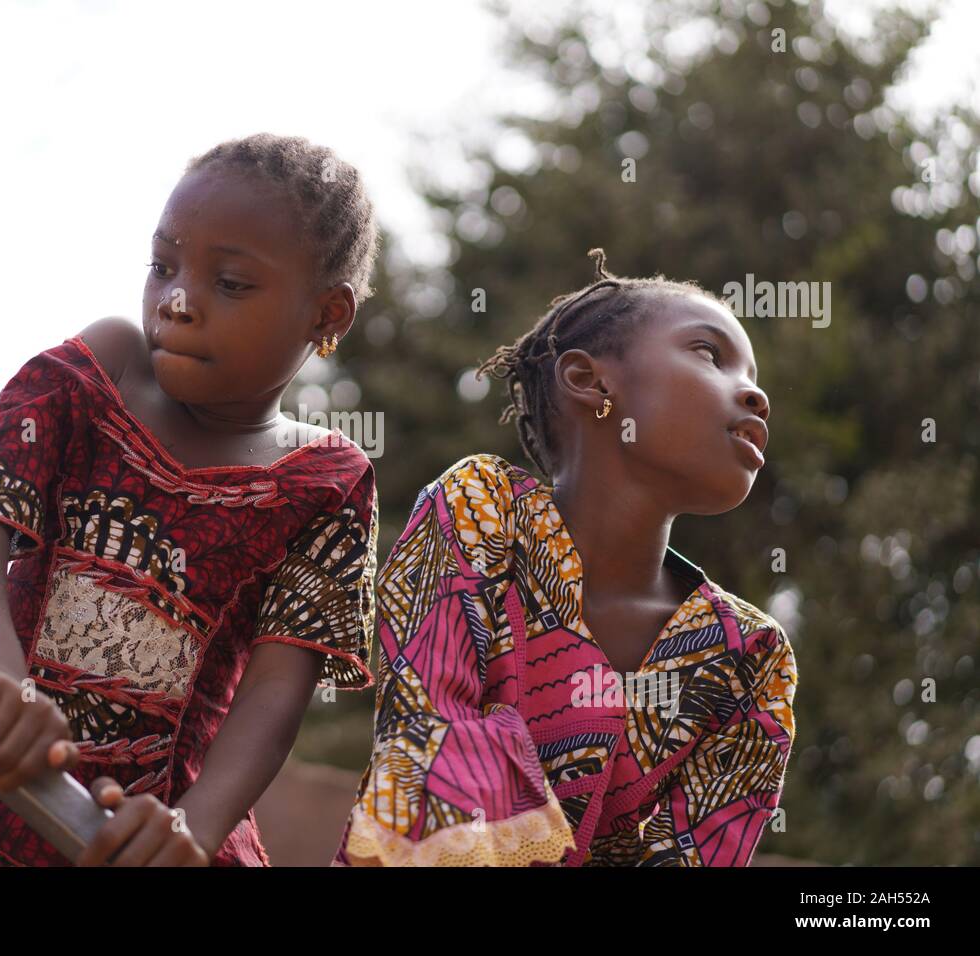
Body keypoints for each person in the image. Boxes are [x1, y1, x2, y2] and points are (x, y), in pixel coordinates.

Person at [0, 132, 382, 866]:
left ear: (328, 315)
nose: (178, 301)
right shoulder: (105, 371)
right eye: (162, 266)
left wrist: (195, 825)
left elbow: (275, 691)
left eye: (230, 283)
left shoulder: (327, 481)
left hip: (146, 838)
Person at [334, 249, 798, 866]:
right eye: (711, 355)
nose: (755, 393)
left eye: (752, 371)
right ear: (589, 380)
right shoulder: (480, 510)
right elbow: (426, 737)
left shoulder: (750, 658)